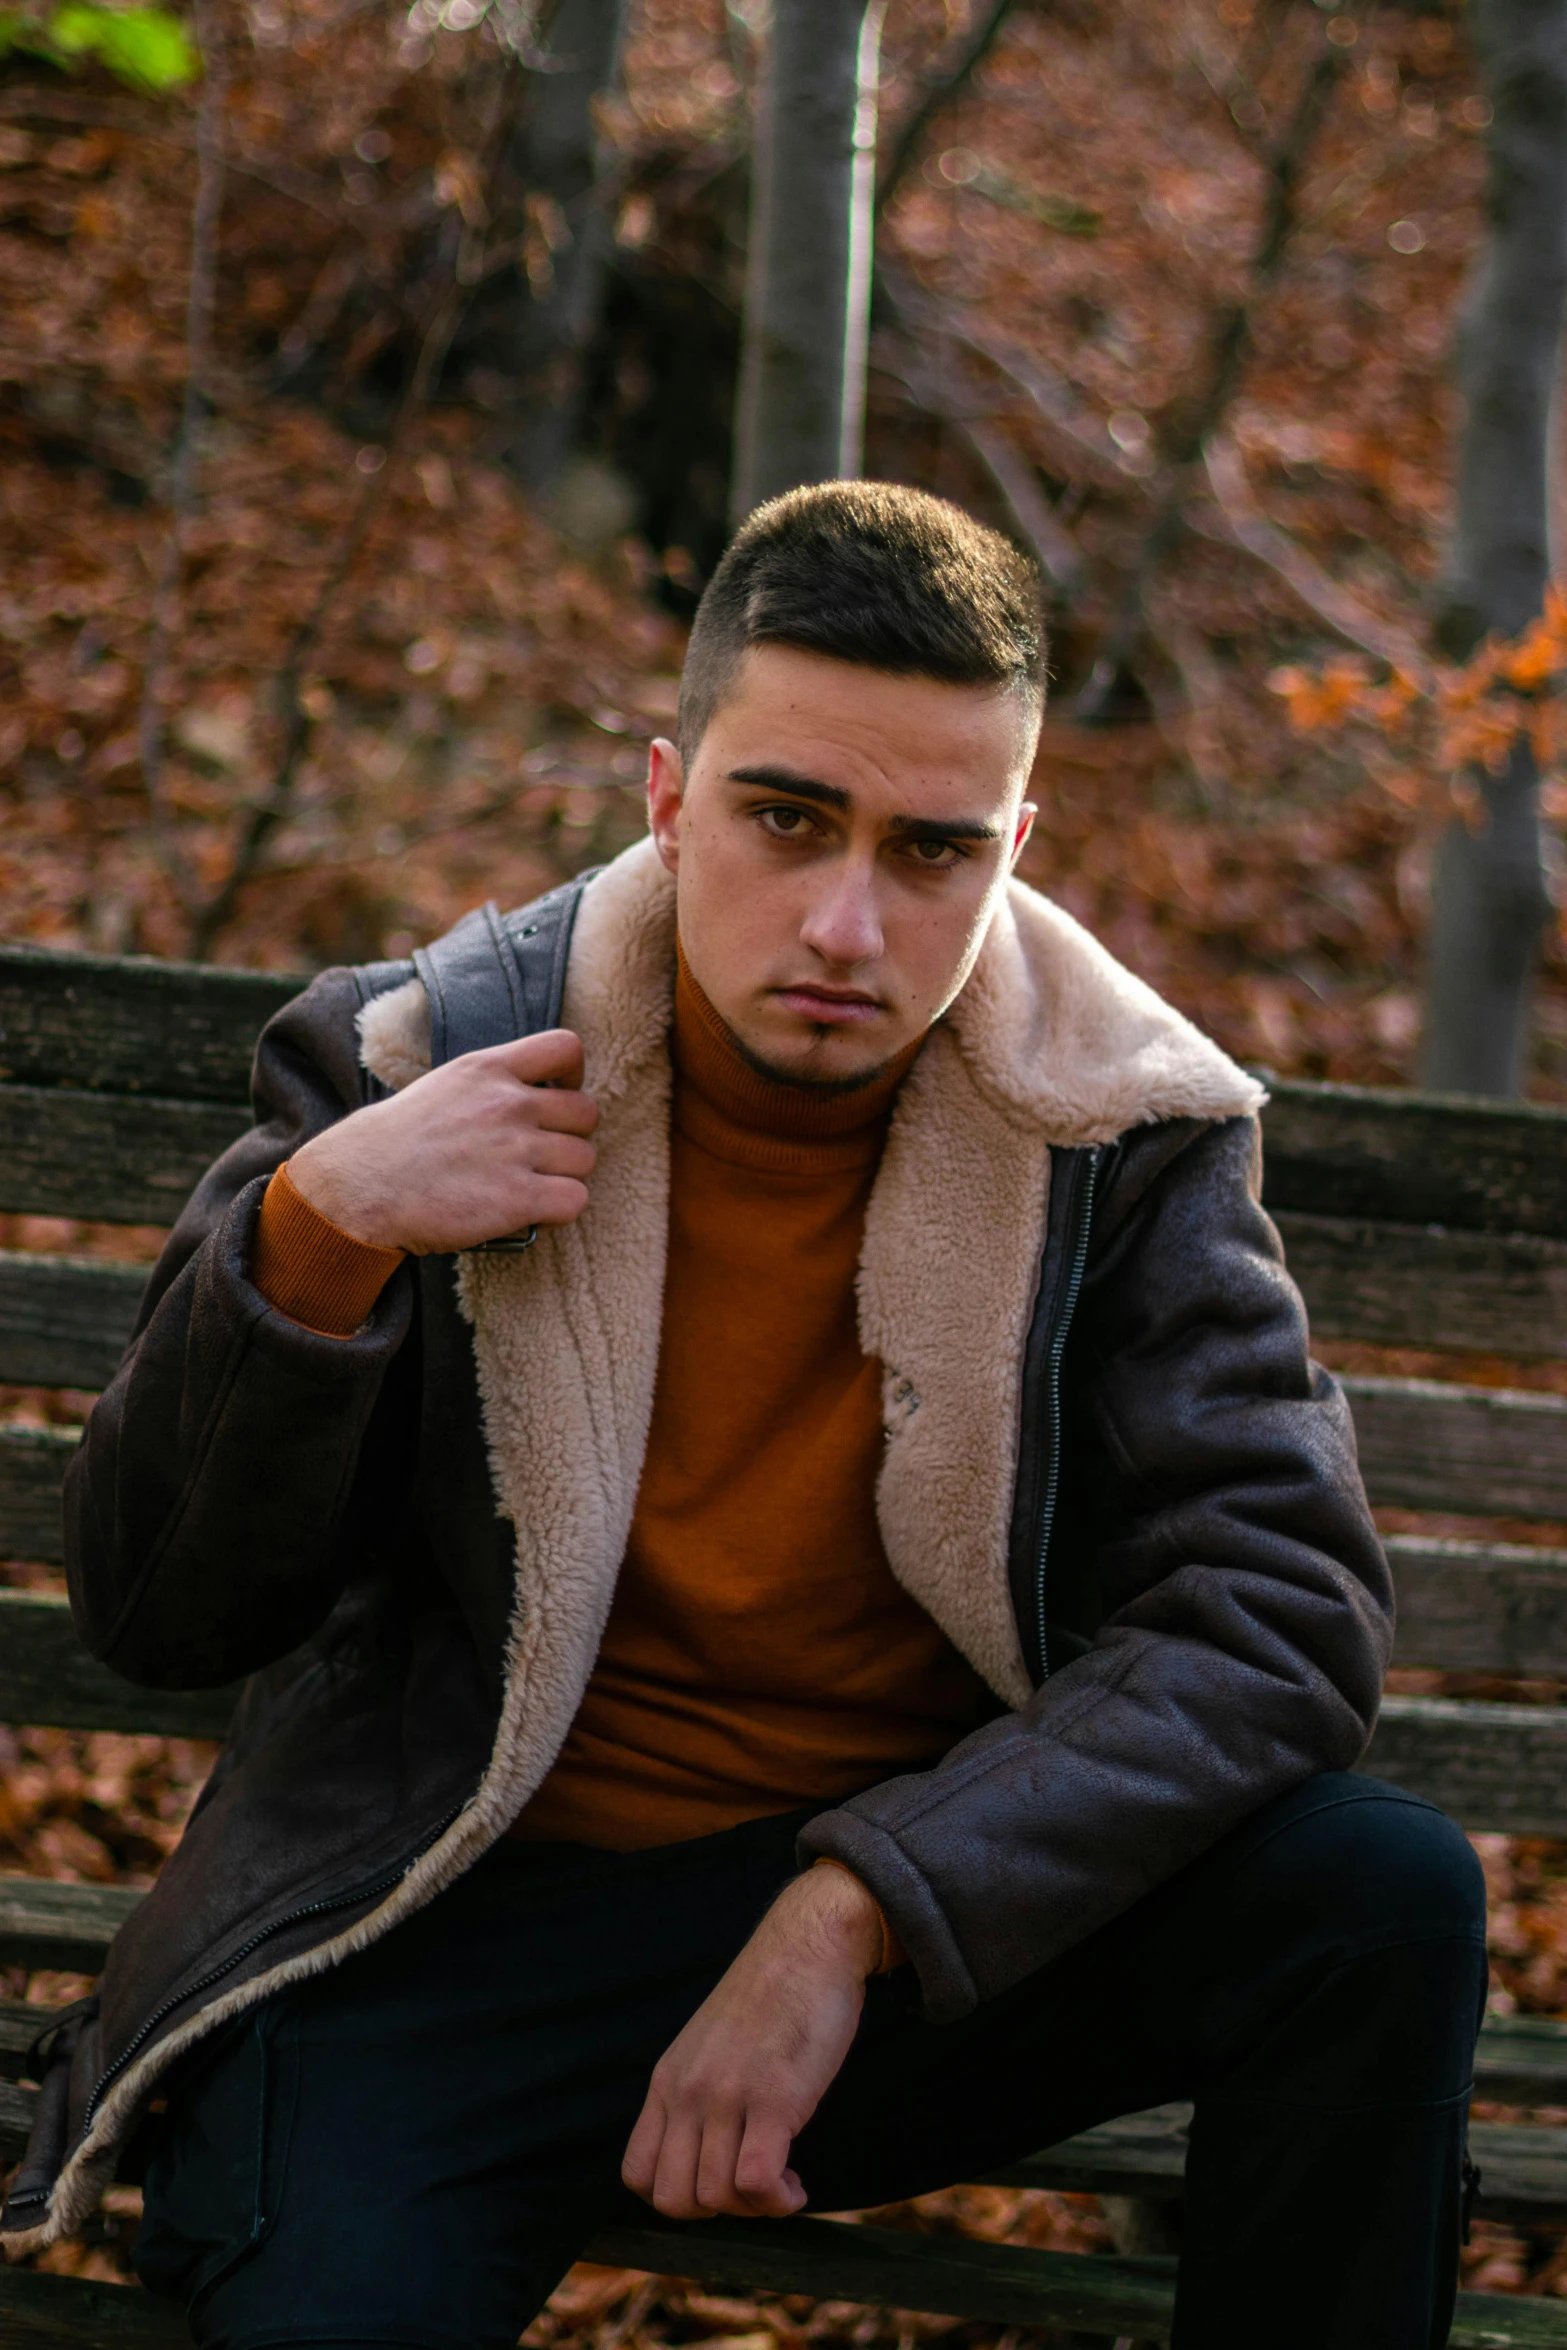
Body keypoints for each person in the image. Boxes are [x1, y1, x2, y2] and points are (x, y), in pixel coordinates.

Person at [4, 483, 1485, 2348]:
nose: (848, 923)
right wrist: (320, 1234)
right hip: (463, 1930)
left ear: (1016, 849)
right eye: (783, 820)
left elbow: (1275, 1619)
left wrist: (855, 1903)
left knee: (1376, 1897)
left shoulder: (1118, 1134)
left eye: (933, 852)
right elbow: (156, 1616)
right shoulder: (409, 1064)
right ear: (664, 795)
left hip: (902, 1947)